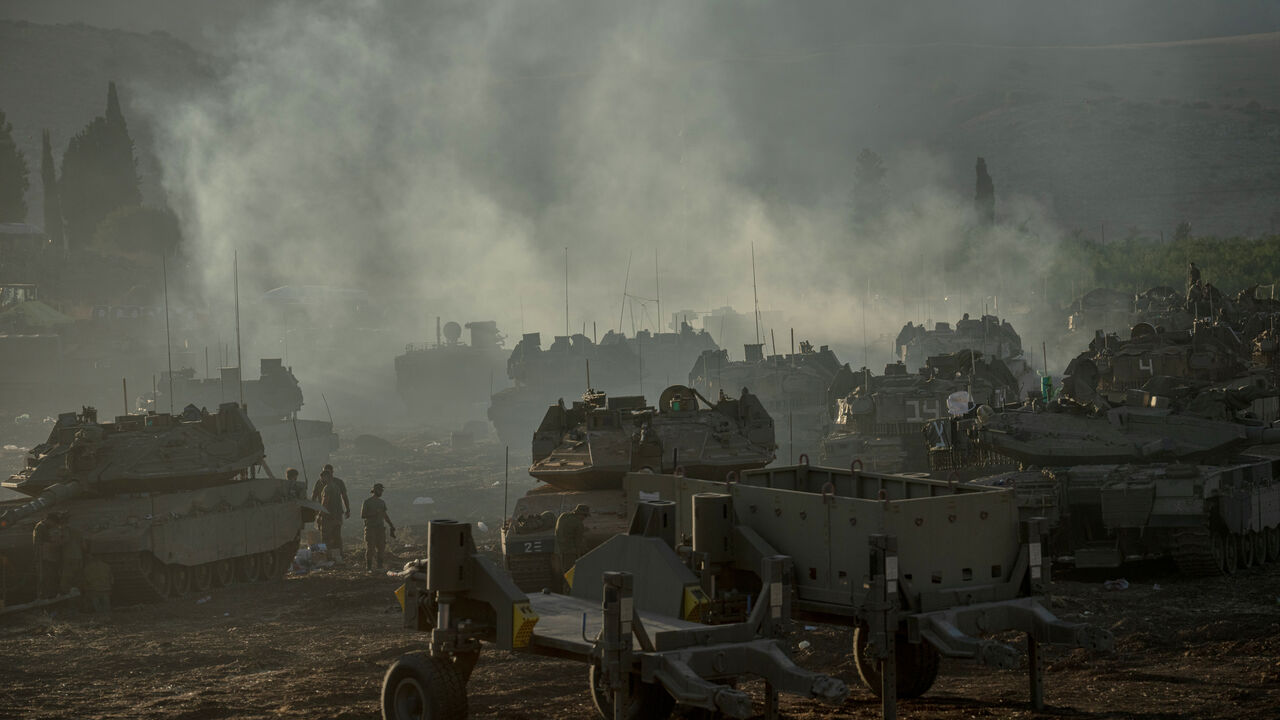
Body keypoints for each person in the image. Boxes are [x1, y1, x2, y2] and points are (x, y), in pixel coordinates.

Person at [311, 464, 350, 556]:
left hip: (327, 515)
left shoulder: (329, 486)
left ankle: (327, 557)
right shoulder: (335, 485)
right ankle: (338, 556)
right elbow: (314, 497)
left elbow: (324, 501)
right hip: (336, 515)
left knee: (326, 537)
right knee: (336, 536)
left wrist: (319, 514)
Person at [359, 483, 397, 572]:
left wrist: (391, 525)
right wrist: (375, 513)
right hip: (370, 528)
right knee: (370, 548)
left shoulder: (382, 502)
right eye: (380, 490)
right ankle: (368, 567)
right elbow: (363, 515)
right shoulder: (367, 502)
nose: (381, 492)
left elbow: (385, 515)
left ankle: (379, 567)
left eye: (381, 490)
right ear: (375, 490)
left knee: (381, 548)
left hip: (380, 528)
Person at [553, 504, 590, 590]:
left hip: (559, 551)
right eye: (585, 516)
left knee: (565, 572)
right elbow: (578, 543)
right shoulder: (578, 524)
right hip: (570, 553)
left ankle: (565, 590)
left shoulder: (563, 516)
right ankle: (569, 592)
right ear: (581, 514)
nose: (584, 518)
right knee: (571, 574)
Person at [33, 512, 64, 599]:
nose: (54, 525)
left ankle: (46, 598)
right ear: (50, 521)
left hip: (43, 556)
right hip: (43, 557)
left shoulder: (41, 526)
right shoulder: (41, 527)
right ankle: (46, 599)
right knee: (46, 579)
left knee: (47, 578)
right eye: (54, 523)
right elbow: (46, 543)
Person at [81, 547, 113, 616]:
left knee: (97, 607)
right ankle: (107, 615)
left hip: (94, 591)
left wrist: (87, 590)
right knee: (106, 606)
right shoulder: (107, 566)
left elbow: (84, 582)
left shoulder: (87, 568)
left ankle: (99, 614)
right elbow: (112, 580)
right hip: (106, 590)